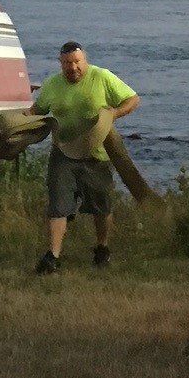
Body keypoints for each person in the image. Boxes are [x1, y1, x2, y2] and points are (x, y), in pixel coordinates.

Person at [31, 42, 139, 273]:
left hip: (95, 154)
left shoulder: (102, 77)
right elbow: (36, 111)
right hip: (63, 152)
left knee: (101, 206)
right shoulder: (52, 84)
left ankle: (102, 248)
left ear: (85, 60)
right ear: (61, 64)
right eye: (68, 63)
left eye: (77, 62)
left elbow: (132, 99)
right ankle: (53, 257)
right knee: (58, 205)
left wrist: (114, 114)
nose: (73, 68)